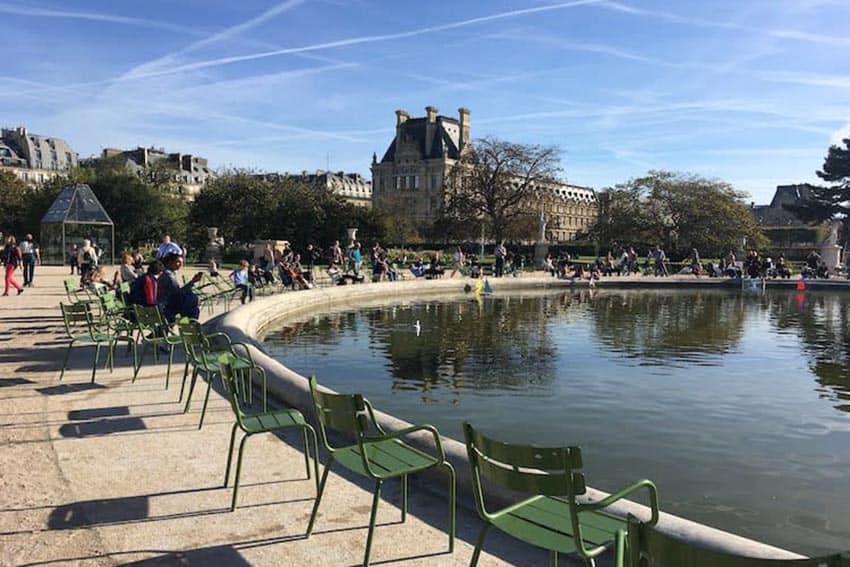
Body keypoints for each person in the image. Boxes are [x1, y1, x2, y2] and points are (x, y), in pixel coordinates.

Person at [157, 252, 202, 322]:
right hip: (167, 307)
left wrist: (192, 282)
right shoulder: (169, 275)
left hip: (162, 305)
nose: (180, 264)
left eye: (181, 262)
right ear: (170, 262)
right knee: (193, 302)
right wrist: (192, 282)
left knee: (191, 299)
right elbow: (178, 293)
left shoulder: (164, 273)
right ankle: (191, 325)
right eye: (178, 262)